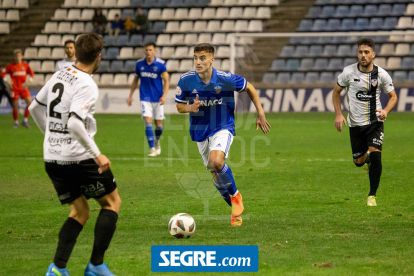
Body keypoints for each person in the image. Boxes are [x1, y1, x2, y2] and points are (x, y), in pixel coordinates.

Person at [29, 33, 121, 276]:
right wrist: (97, 154)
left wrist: (50, 138)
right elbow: (75, 124)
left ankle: (57, 269)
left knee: (79, 211)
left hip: (52, 157)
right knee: (112, 203)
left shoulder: (60, 73)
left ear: (77, 53)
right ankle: (96, 266)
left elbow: (34, 107)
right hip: (78, 157)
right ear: (98, 57)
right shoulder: (87, 83)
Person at [175, 43, 270, 226]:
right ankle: (234, 212)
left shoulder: (225, 79)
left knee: (216, 162)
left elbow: (249, 87)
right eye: (195, 58)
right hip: (200, 132)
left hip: (223, 126)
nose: (198, 62)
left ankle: (235, 196)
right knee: (216, 175)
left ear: (212, 59)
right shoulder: (186, 80)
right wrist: (190, 107)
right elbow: (179, 106)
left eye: (202, 58)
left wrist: (260, 112)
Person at [333, 38, 398, 207]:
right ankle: (365, 159)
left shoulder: (382, 74)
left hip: (375, 122)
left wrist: (385, 111)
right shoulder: (348, 72)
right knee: (358, 162)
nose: (363, 55)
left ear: (373, 55)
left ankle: (372, 195)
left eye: (366, 52)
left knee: (376, 154)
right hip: (355, 124)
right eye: (360, 52)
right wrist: (339, 114)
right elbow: (336, 92)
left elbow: (393, 97)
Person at [127, 42, 169, 157]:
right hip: (145, 97)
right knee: (148, 123)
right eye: (146, 50)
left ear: (154, 51)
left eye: (150, 50)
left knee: (159, 126)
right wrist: (130, 95)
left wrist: (164, 95)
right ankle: (152, 148)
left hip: (158, 98)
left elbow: (166, 81)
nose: (148, 52)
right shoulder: (139, 64)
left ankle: (156, 141)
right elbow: (135, 80)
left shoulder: (161, 64)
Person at [0, 49, 34, 128]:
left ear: (21, 56)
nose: (17, 58)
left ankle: (25, 121)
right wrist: (8, 82)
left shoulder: (25, 65)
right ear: (14, 57)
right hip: (14, 89)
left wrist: (28, 82)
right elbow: (2, 74)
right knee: (14, 106)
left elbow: (32, 74)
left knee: (30, 103)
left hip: (23, 88)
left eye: (19, 56)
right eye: (16, 56)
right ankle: (16, 123)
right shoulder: (11, 66)